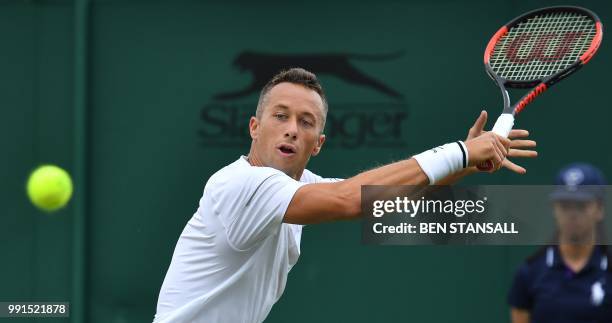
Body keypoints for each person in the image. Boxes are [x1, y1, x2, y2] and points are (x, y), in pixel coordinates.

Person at [153, 68, 537, 323]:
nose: (291, 130)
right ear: (254, 127)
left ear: (317, 144)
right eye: (280, 116)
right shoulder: (239, 184)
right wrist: (461, 152)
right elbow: (348, 199)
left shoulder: (296, 189)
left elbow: (378, 197)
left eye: (305, 123)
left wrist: (464, 165)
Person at [508, 163, 612, 323]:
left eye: (581, 206)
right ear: (554, 209)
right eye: (565, 206)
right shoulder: (530, 273)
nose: (572, 214)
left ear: (600, 209)